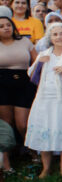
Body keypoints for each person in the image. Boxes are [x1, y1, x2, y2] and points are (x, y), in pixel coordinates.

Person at [25, 22, 62, 176]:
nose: (59, 37)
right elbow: (31, 75)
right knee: (45, 127)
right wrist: (40, 63)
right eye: (55, 34)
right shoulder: (44, 53)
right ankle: (46, 167)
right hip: (45, 97)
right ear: (50, 38)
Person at [0, 15, 38, 169]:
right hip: (2, 87)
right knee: (6, 124)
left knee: (23, 124)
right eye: (1, 26)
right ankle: (7, 161)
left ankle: (33, 152)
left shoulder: (24, 41)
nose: (5, 28)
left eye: (8, 25)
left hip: (24, 84)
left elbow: (37, 62)